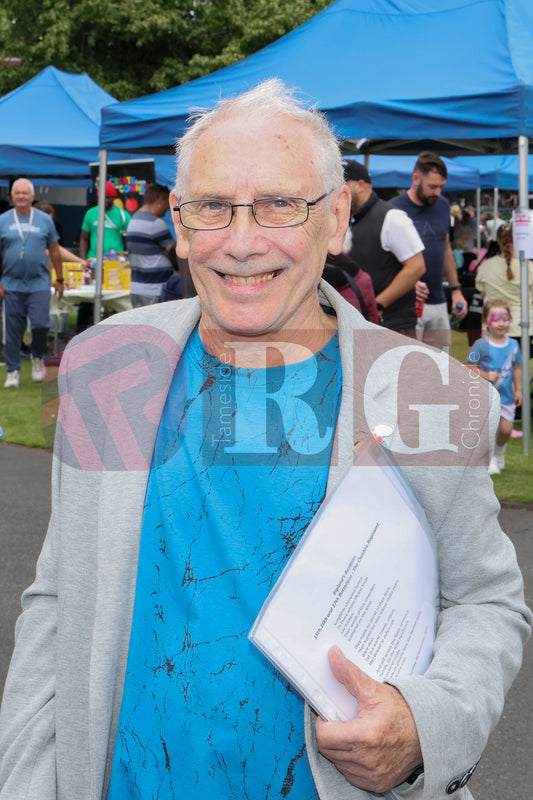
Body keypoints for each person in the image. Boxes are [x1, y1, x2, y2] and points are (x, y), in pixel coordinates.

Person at [0, 80, 530, 800]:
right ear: (180, 224)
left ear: (336, 216)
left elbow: (485, 601)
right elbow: (60, 597)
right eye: (212, 206)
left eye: (281, 204)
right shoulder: (108, 364)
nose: (242, 243)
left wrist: (422, 727)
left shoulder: (426, 391)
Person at [390, 152, 468, 350]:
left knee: (441, 369)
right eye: (432, 186)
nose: (437, 192)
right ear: (416, 178)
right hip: (407, 305)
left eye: (441, 187)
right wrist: (408, 282)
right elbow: (385, 260)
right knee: (410, 369)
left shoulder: (442, 205)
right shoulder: (393, 210)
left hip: (439, 301)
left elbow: (446, 248)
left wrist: (457, 290)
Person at [343, 161, 425, 335]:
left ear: (361, 185)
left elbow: (416, 267)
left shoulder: (392, 217)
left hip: (392, 324)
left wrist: (377, 304)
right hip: (362, 324)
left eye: (343, 186)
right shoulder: (348, 219)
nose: (338, 193)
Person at [0, 178, 64, 388]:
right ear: (11, 196)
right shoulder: (3, 220)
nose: (21, 196)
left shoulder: (44, 220)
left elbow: (55, 250)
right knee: (12, 330)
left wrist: (60, 279)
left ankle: (37, 357)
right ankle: (13, 371)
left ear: (32, 197)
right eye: (17, 193)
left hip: (39, 283)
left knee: (40, 324)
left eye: (24, 193)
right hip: (11, 284)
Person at [468, 299, 523, 475]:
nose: (501, 323)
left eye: (504, 319)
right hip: (487, 397)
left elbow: (518, 367)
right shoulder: (480, 345)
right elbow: (470, 367)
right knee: (492, 428)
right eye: (496, 319)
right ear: (485, 321)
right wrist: (486, 376)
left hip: (507, 397)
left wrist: (520, 390)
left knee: (506, 430)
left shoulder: (514, 345)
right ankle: (490, 461)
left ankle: (500, 451)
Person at [475, 223, 533, 357]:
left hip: (494, 325)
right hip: (522, 326)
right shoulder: (529, 267)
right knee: (519, 372)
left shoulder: (486, 267)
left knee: (497, 374)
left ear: (498, 241)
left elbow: (484, 297)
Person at [126, 183, 176, 307]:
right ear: (161, 199)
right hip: (155, 289)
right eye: (167, 203)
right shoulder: (155, 223)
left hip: (137, 287)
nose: (167, 209)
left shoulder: (133, 220)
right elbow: (175, 254)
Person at [79, 180, 131, 260]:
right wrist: (83, 261)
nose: (104, 200)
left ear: (113, 197)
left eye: (107, 197)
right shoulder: (90, 213)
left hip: (115, 262)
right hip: (93, 260)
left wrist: (127, 257)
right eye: (101, 197)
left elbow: (128, 241)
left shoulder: (123, 216)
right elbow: (83, 239)